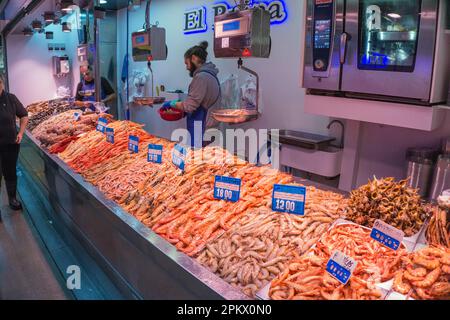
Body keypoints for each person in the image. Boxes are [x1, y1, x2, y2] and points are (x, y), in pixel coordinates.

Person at [162, 41, 221, 148]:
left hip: (201, 129)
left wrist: (172, 103)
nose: (187, 67)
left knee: (197, 160)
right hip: (206, 128)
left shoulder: (201, 77)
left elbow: (189, 106)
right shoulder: (209, 75)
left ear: (193, 58)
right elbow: (198, 103)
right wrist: (181, 111)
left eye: (187, 63)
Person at [0, 75, 28, 219]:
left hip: (10, 144)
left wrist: (21, 133)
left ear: (2, 84)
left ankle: (12, 199)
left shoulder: (11, 98)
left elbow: (24, 115)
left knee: (10, 173)